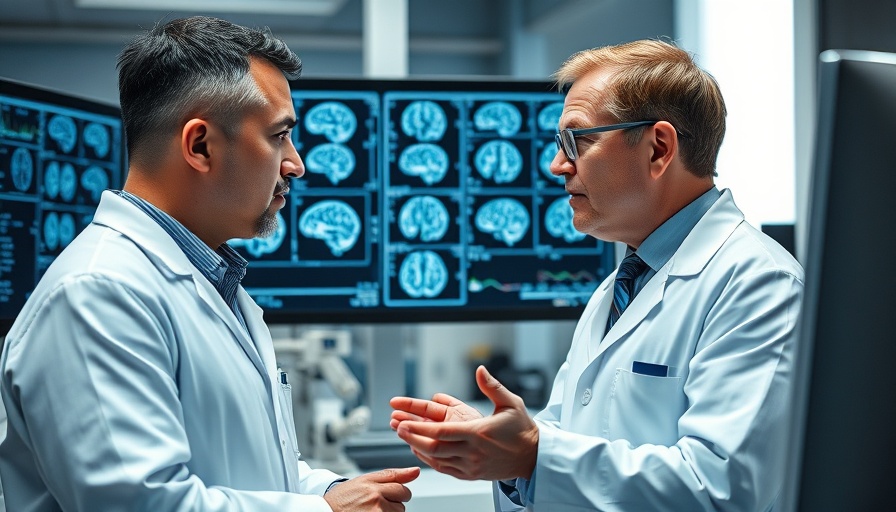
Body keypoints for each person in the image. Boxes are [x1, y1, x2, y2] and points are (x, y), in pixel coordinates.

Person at [0, 16, 418, 511]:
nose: (296, 163)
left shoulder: (210, 279)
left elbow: (253, 469)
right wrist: (324, 511)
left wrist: (328, 490)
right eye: (279, 135)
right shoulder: (96, 295)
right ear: (200, 145)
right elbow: (140, 505)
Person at [390, 39, 804, 511]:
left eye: (578, 140)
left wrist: (532, 456)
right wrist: (499, 448)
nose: (556, 165)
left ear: (658, 148)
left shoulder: (759, 285)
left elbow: (722, 490)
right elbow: (568, 435)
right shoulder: (623, 286)